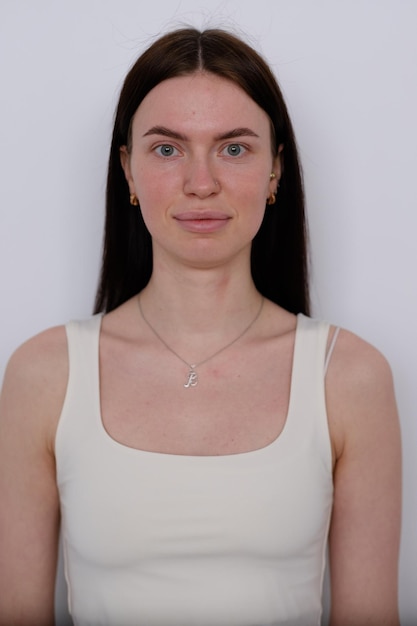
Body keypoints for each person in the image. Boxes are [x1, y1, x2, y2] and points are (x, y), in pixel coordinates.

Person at [0, 26, 401, 626]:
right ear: (128, 171)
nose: (202, 182)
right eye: (167, 149)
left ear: (275, 172)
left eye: (234, 149)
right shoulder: (43, 375)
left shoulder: (349, 377)